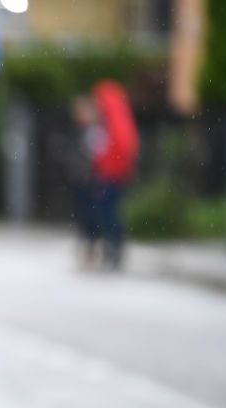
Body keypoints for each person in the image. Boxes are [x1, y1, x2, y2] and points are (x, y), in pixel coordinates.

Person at [72, 80, 138, 270]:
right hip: (114, 175)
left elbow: (104, 151)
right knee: (109, 213)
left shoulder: (108, 123)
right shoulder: (118, 120)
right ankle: (112, 249)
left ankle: (112, 249)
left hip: (107, 176)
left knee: (107, 213)